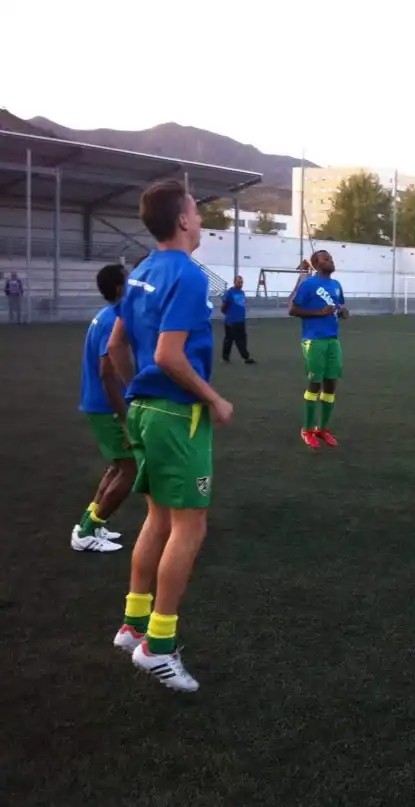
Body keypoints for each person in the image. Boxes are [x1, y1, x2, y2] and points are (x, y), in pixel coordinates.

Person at [106, 178, 233, 692]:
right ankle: (157, 647)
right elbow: (167, 355)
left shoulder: (140, 273)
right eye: (197, 213)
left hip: (144, 410)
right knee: (190, 526)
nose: (200, 221)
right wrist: (213, 397)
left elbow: (117, 347)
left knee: (158, 518)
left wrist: (142, 391)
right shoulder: (186, 274)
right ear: (182, 220)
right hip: (178, 416)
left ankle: (132, 625)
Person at [72, 263, 135, 552]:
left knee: (118, 466)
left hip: (99, 404)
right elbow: (106, 372)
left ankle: (91, 522)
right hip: (107, 406)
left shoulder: (104, 316)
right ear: (121, 287)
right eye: (129, 279)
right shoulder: (113, 320)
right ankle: (87, 531)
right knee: (130, 469)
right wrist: (124, 418)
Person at [289, 250, 347, 448]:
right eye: (325, 258)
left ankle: (323, 429)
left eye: (330, 257)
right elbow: (292, 310)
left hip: (333, 340)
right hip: (314, 340)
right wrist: (318, 312)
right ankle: (307, 429)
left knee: (331, 385)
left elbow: (340, 308)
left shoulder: (336, 285)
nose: (330, 260)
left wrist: (343, 311)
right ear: (315, 264)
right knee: (315, 383)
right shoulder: (308, 284)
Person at [221, 275, 255, 364]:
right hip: (231, 322)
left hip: (241, 321)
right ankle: (225, 357)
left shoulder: (242, 293)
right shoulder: (230, 293)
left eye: (242, 282)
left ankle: (245, 357)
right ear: (234, 282)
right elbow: (223, 307)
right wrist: (229, 315)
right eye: (239, 282)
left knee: (242, 339)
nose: (241, 284)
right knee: (229, 340)